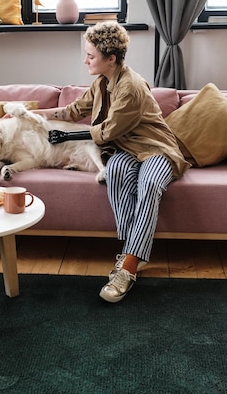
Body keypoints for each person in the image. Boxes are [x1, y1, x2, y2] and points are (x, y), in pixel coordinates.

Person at [36, 22, 190, 303]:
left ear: (111, 59)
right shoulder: (102, 83)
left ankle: (128, 266)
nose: (85, 61)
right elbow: (74, 111)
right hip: (125, 150)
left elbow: (106, 132)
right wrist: (31, 114)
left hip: (155, 149)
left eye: (90, 56)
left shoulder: (130, 87)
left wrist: (62, 135)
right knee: (115, 170)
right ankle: (135, 248)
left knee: (150, 183)